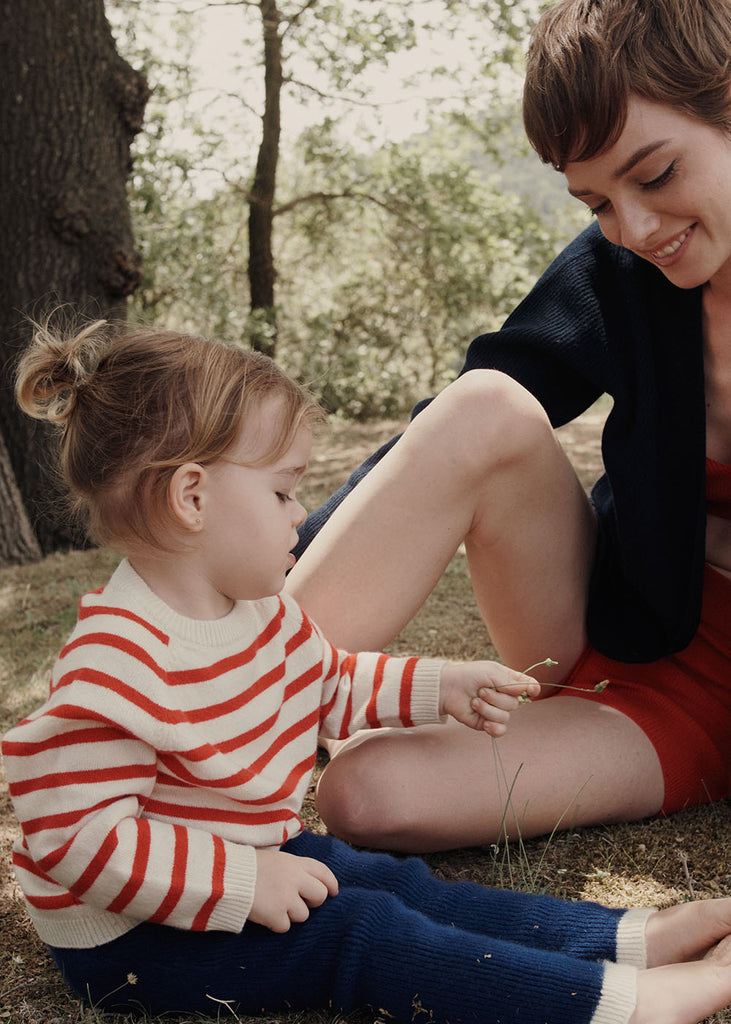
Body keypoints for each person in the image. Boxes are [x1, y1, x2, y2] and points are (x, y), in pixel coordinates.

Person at [9, 319, 731, 1024]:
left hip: (244, 858)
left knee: (394, 886)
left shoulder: (252, 612)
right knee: (359, 934)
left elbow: (327, 683)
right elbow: (76, 838)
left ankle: (623, 939)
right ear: (192, 497)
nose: (299, 514)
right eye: (282, 492)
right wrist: (243, 880)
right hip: (135, 937)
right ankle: (620, 1005)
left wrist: (440, 686)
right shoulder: (117, 661)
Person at [286, 0, 731, 853]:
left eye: (655, 174)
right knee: (485, 405)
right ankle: (196, 727)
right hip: (629, 636)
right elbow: (465, 422)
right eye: (596, 201)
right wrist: (289, 548)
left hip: (697, 715)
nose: (633, 228)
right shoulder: (621, 272)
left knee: (370, 795)